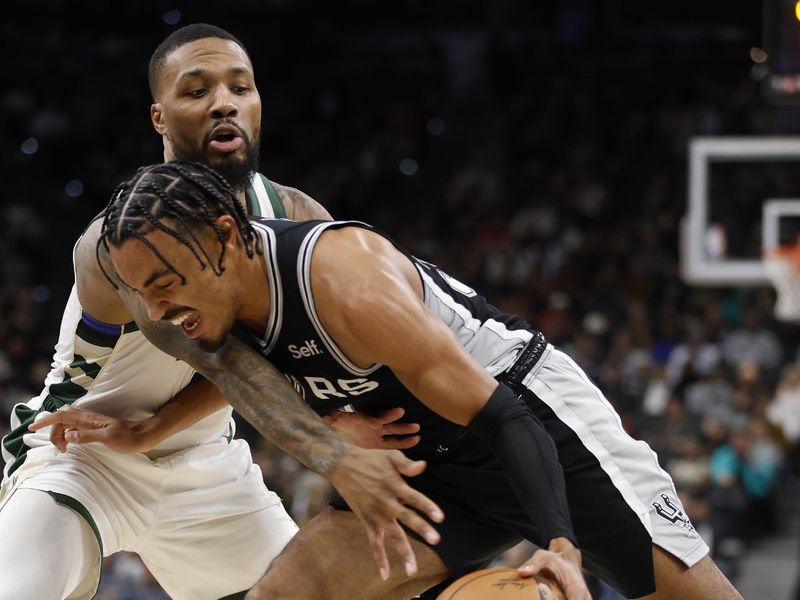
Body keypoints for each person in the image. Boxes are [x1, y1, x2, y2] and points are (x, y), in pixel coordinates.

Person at [100, 160, 745, 600]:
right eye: (142, 294)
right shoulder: (217, 304)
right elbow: (250, 377)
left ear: (224, 238)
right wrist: (153, 427)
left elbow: (504, 417)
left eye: (165, 285)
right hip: (429, 469)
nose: (157, 310)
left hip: (532, 423)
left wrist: (559, 544)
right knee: (290, 592)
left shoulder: (343, 280)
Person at [0, 23, 433, 600]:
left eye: (241, 87)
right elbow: (225, 360)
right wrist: (329, 447)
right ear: (159, 118)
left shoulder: (297, 217)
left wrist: (338, 412)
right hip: (80, 454)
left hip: (207, 465)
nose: (223, 103)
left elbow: (294, 355)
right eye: (196, 90)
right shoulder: (115, 242)